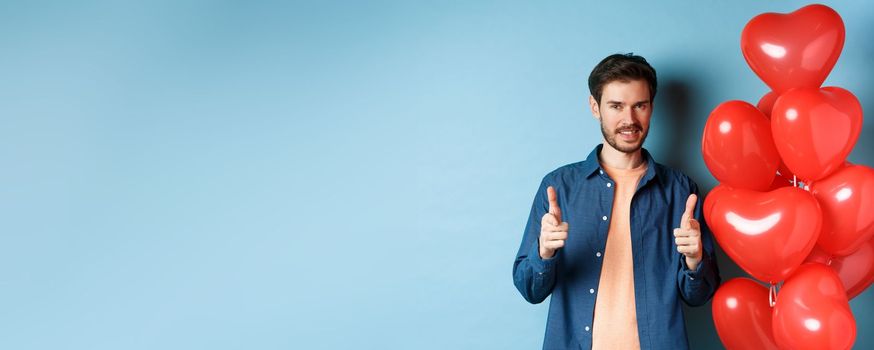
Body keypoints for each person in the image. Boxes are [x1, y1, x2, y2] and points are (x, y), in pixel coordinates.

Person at [512, 53, 721, 350]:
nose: (629, 120)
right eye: (616, 106)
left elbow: (698, 296)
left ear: (651, 108)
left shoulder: (680, 191)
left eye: (640, 105)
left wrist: (695, 260)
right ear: (595, 107)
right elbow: (530, 289)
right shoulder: (559, 187)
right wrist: (544, 253)